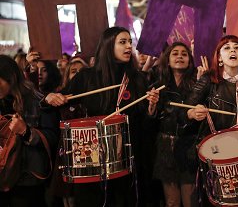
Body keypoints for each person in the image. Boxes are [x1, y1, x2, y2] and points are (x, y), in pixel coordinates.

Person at [43, 26, 160, 207]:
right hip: (94, 155)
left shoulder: (137, 78)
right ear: (108, 45)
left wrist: (151, 108)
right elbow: (61, 101)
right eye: (122, 42)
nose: (129, 46)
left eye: (130, 42)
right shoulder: (86, 77)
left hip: (129, 155)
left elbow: (145, 122)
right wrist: (49, 98)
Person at [182, 35, 238, 204]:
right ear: (219, 57)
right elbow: (183, 112)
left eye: (237, 47)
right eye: (227, 48)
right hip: (217, 150)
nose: (232, 50)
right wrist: (192, 113)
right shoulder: (208, 81)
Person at [0, 55, 59, 207]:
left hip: (27, 179)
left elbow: (52, 137)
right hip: (3, 178)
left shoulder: (38, 100)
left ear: (11, 78)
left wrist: (26, 131)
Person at [151, 42, 202, 207]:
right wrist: (151, 106)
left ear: (190, 60)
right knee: (171, 202)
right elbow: (150, 119)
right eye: (175, 53)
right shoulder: (158, 84)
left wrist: (201, 85)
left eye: (184, 54)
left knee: (190, 201)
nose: (179, 56)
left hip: (189, 146)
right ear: (167, 59)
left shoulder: (198, 83)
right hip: (166, 145)